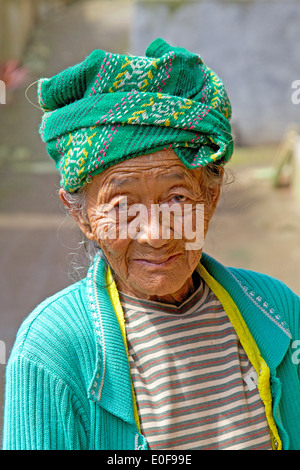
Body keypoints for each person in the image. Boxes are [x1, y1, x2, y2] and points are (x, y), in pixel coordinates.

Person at [3, 38, 300, 451]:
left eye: (178, 198)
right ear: (83, 216)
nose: (156, 234)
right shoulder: (52, 352)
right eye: (122, 205)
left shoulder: (279, 313)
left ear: (210, 199)